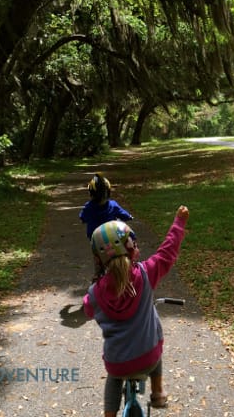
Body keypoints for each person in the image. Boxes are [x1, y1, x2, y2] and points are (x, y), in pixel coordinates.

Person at [83, 206, 189, 417]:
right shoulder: (145, 273)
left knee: (113, 380)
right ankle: (158, 392)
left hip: (117, 363)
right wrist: (179, 222)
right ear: (130, 250)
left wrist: (92, 305)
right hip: (148, 358)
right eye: (135, 244)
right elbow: (167, 253)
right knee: (155, 341)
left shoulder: (95, 294)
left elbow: (87, 309)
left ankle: (109, 414)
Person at [80, 173, 134, 280]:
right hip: (112, 238)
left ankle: (97, 275)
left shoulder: (88, 207)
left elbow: (82, 217)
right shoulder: (113, 205)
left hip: (96, 240)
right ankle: (129, 268)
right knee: (124, 245)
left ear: (91, 193)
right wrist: (129, 217)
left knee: (98, 258)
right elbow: (124, 214)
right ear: (108, 192)